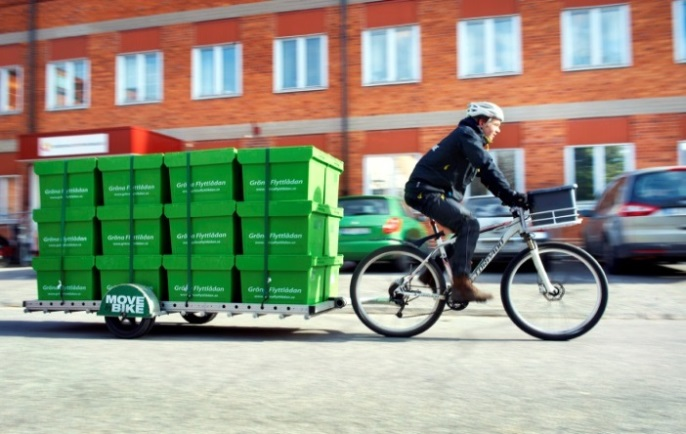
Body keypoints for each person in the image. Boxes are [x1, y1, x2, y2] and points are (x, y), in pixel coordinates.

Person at [404, 101, 528, 303]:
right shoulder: (466, 135)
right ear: (481, 121)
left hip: (433, 192)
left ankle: (430, 273)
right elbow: (487, 166)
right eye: (496, 125)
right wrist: (511, 195)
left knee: (461, 234)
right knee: (469, 225)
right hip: (424, 191)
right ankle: (461, 285)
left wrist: (510, 199)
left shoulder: (471, 141)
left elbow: (487, 178)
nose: (498, 130)